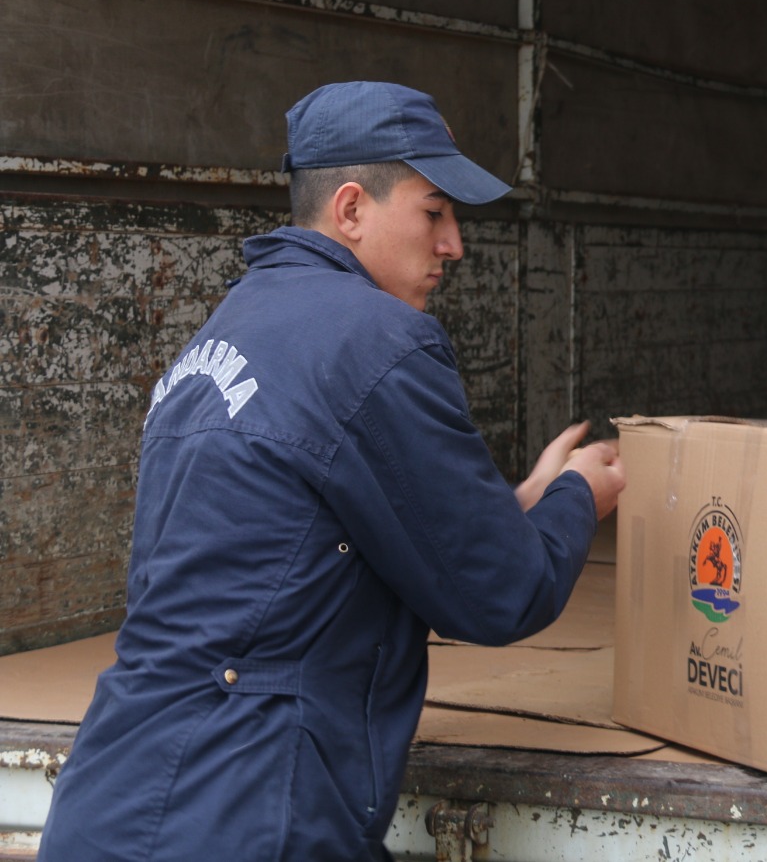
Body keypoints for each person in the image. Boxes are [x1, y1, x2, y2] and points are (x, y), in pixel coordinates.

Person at [38, 81, 626, 862]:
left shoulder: (229, 329)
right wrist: (579, 495)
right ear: (350, 209)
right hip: (242, 813)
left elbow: (308, 536)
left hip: (113, 796)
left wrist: (517, 503)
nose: (454, 245)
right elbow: (499, 595)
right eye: (433, 212)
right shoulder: (377, 339)